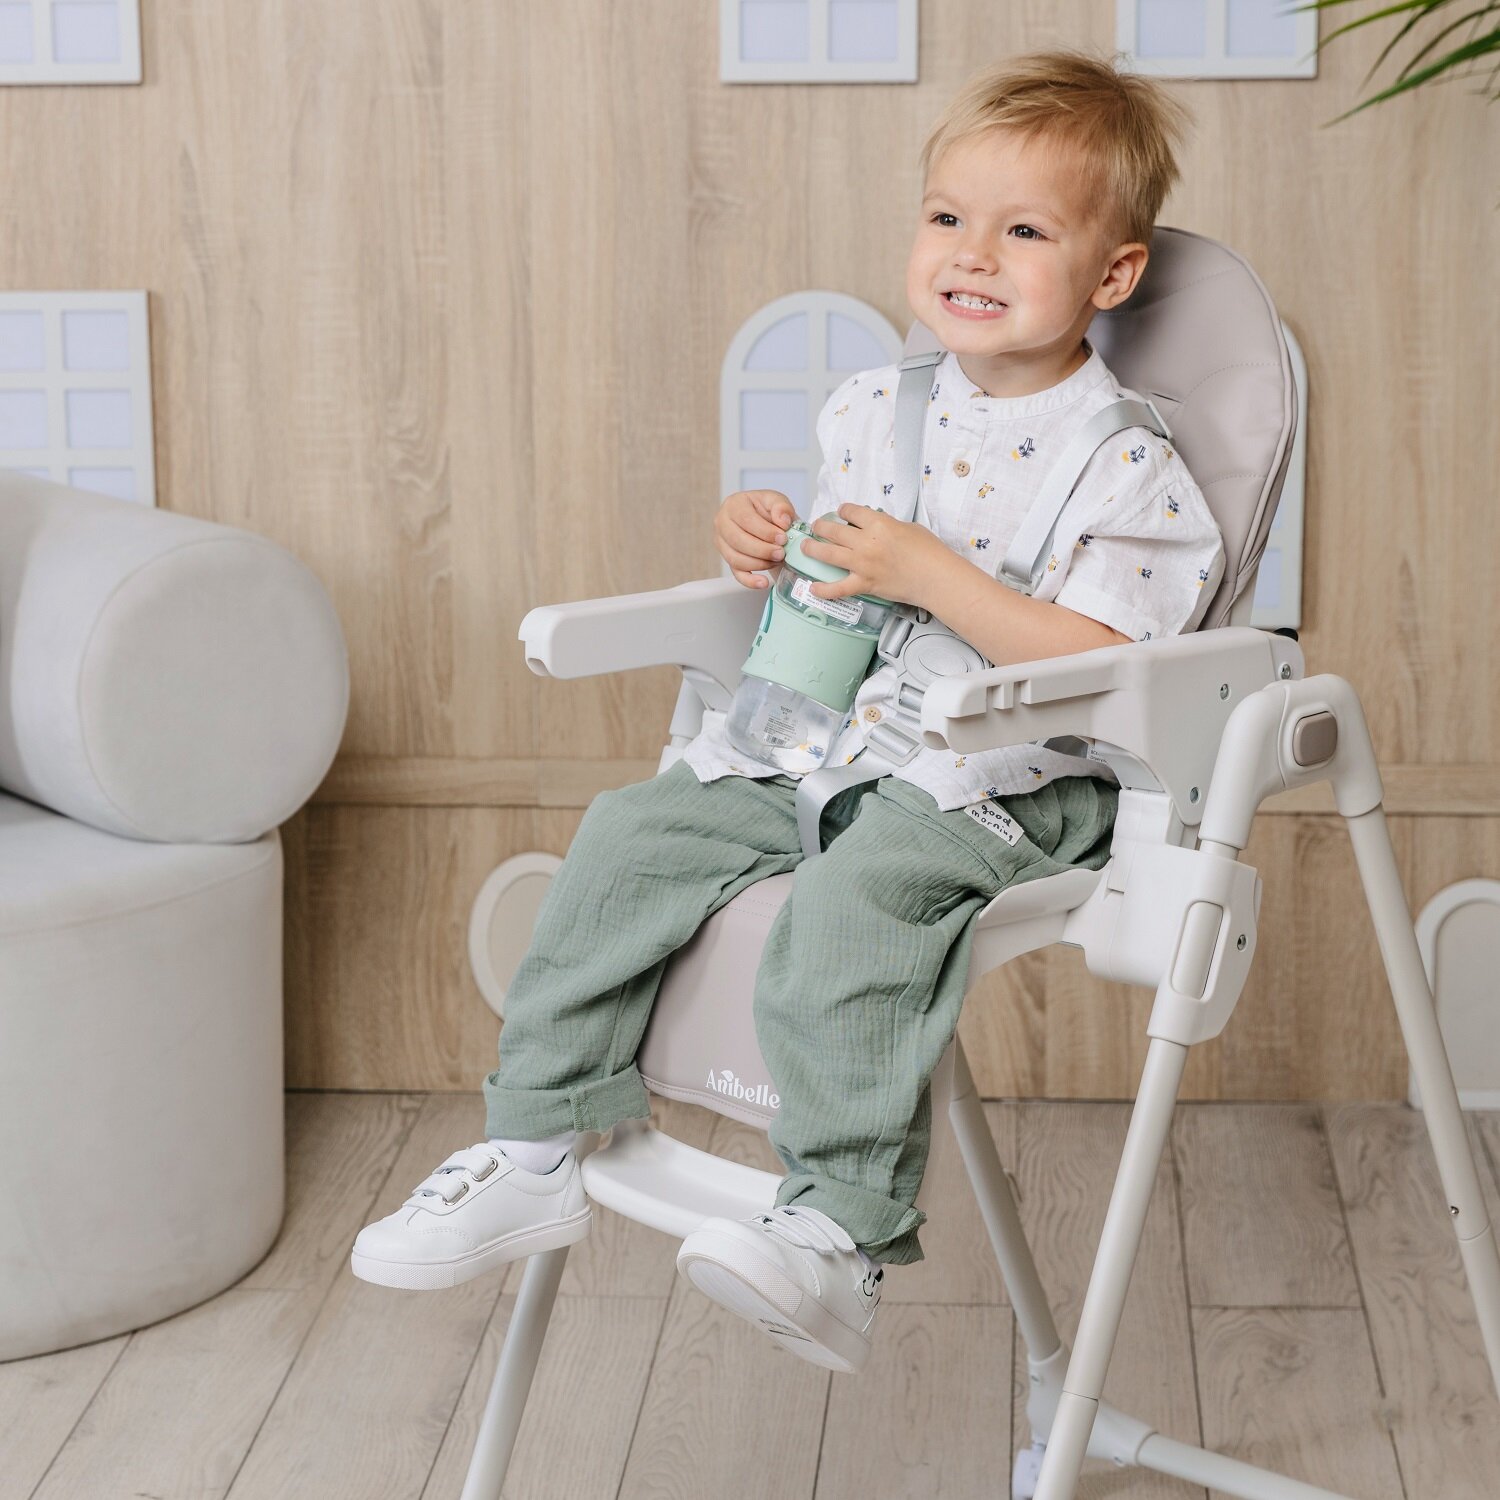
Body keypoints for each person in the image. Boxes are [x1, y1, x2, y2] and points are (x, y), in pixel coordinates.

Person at [352, 49, 1225, 1376]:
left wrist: (930, 574)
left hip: (1011, 779)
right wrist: (762, 542)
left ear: (1112, 277)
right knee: (630, 837)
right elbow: (831, 584)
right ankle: (532, 1142)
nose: (970, 252)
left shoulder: (1129, 464)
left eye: (1024, 231)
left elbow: (1111, 661)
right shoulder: (876, 407)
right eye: (948, 216)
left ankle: (837, 1233)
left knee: (852, 909)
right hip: (833, 738)